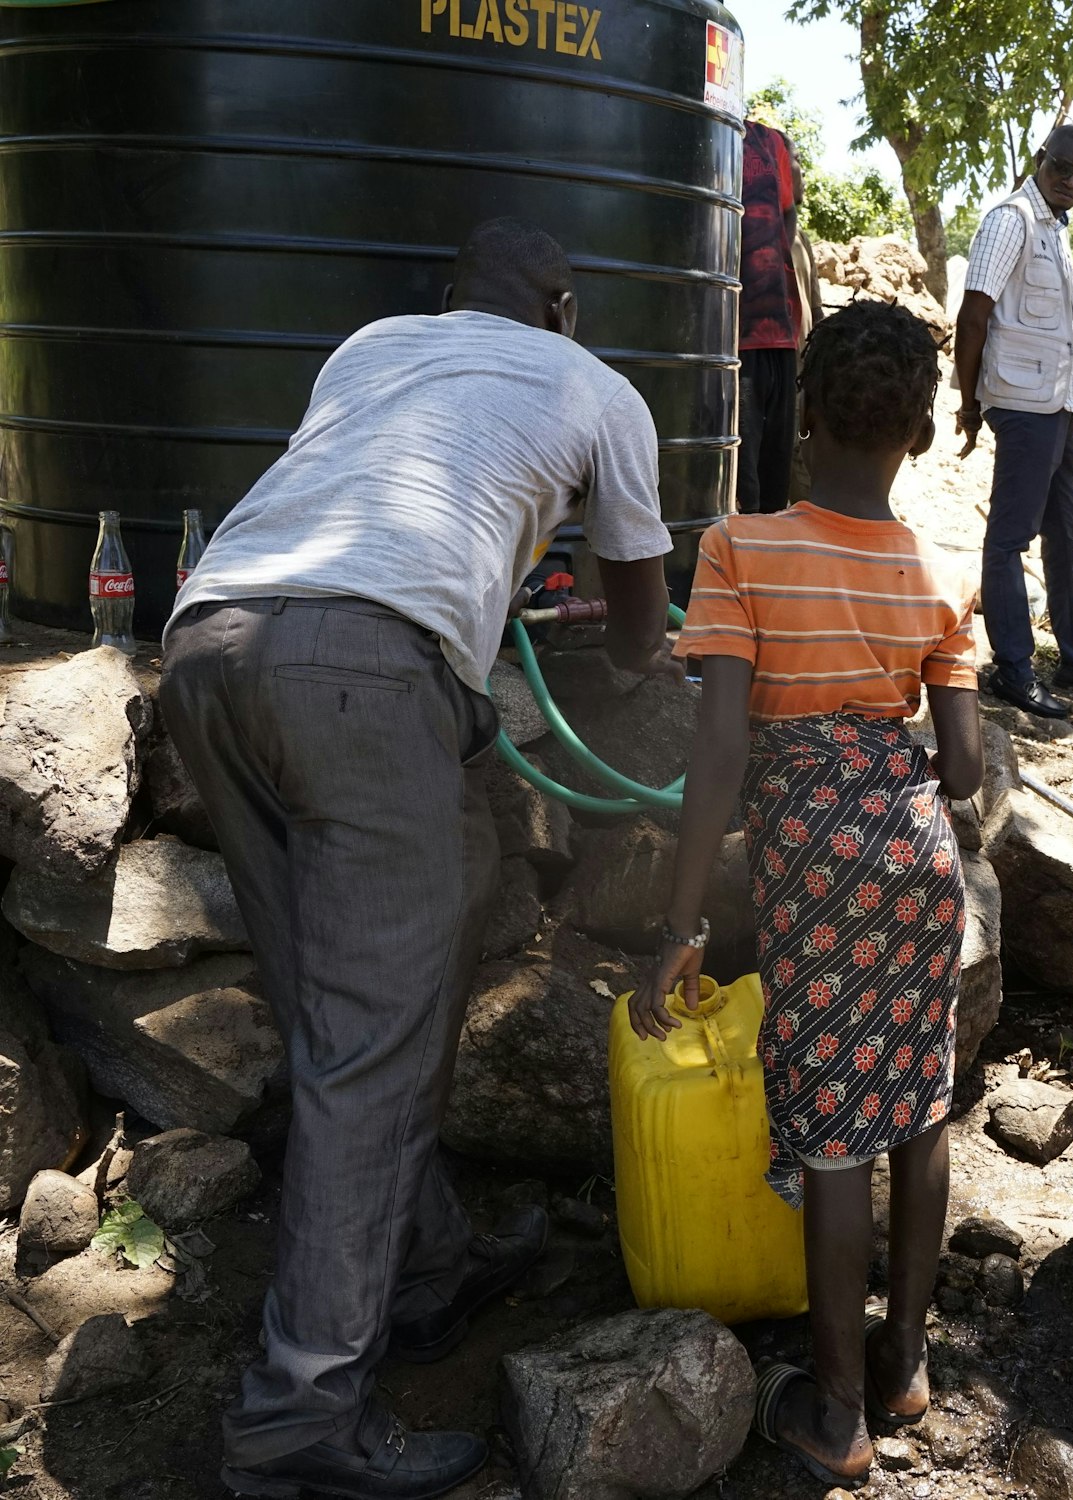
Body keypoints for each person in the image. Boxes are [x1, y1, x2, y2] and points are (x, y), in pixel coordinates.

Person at [162, 218, 677, 1500]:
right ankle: (298, 1422)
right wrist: (633, 652)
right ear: (564, 307)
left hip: (210, 644)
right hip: (362, 677)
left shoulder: (373, 345)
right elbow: (632, 627)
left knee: (350, 995)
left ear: (453, 298)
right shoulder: (598, 388)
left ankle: (426, 1267)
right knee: (372, 1047)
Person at [642, 301, 985, 1489]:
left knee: (836, 1134)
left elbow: (722, 753)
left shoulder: (740, 546)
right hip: (917, 855)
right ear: (919, 429)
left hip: (816, 863)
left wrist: (681, 925)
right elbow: (965, 765)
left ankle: (837, 1413)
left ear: (804, 416)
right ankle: (902, 1361)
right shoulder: (939, 568)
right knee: (920, 1106)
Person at [956, 123, 1073, 718]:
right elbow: (973, 315)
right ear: (1041, 159)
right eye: (1062, 168)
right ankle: (1012, 668)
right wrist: (969, 403)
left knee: (1066, 534)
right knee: (1009, 540)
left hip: (1057, 405)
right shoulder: (1011, 220)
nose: (1071, 182)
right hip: (1022, 404)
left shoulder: (1055, 229)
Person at [738, 115, 807, 514]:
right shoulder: (702, 128)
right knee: (742, 486)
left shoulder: (770, 141)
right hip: (732, 341)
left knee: (773, 483)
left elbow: (788, 212)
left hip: (779, 336)